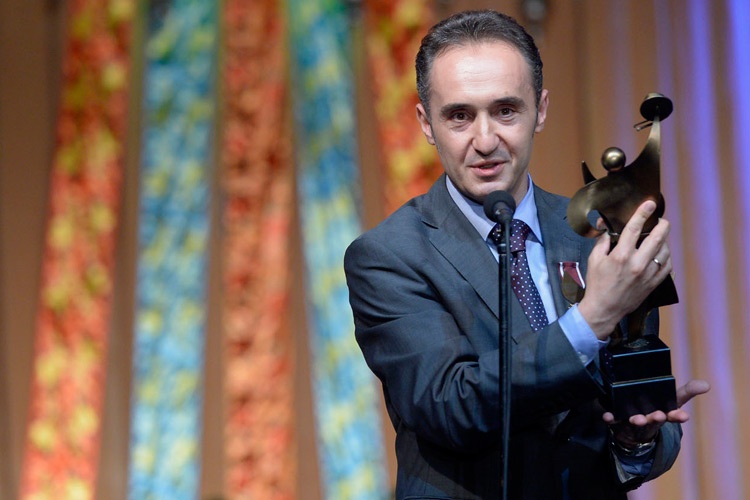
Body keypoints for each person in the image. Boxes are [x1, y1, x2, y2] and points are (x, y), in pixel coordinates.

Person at [344, 9, 709, 500]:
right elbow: (450, 407)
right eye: (459, 116)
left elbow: (640, 400)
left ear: (540, 110)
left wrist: (637, 439)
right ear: (426, 123)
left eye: (505, 111)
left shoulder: (596, 234)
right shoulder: (388, 256)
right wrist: (591, 320)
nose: (485, 141)